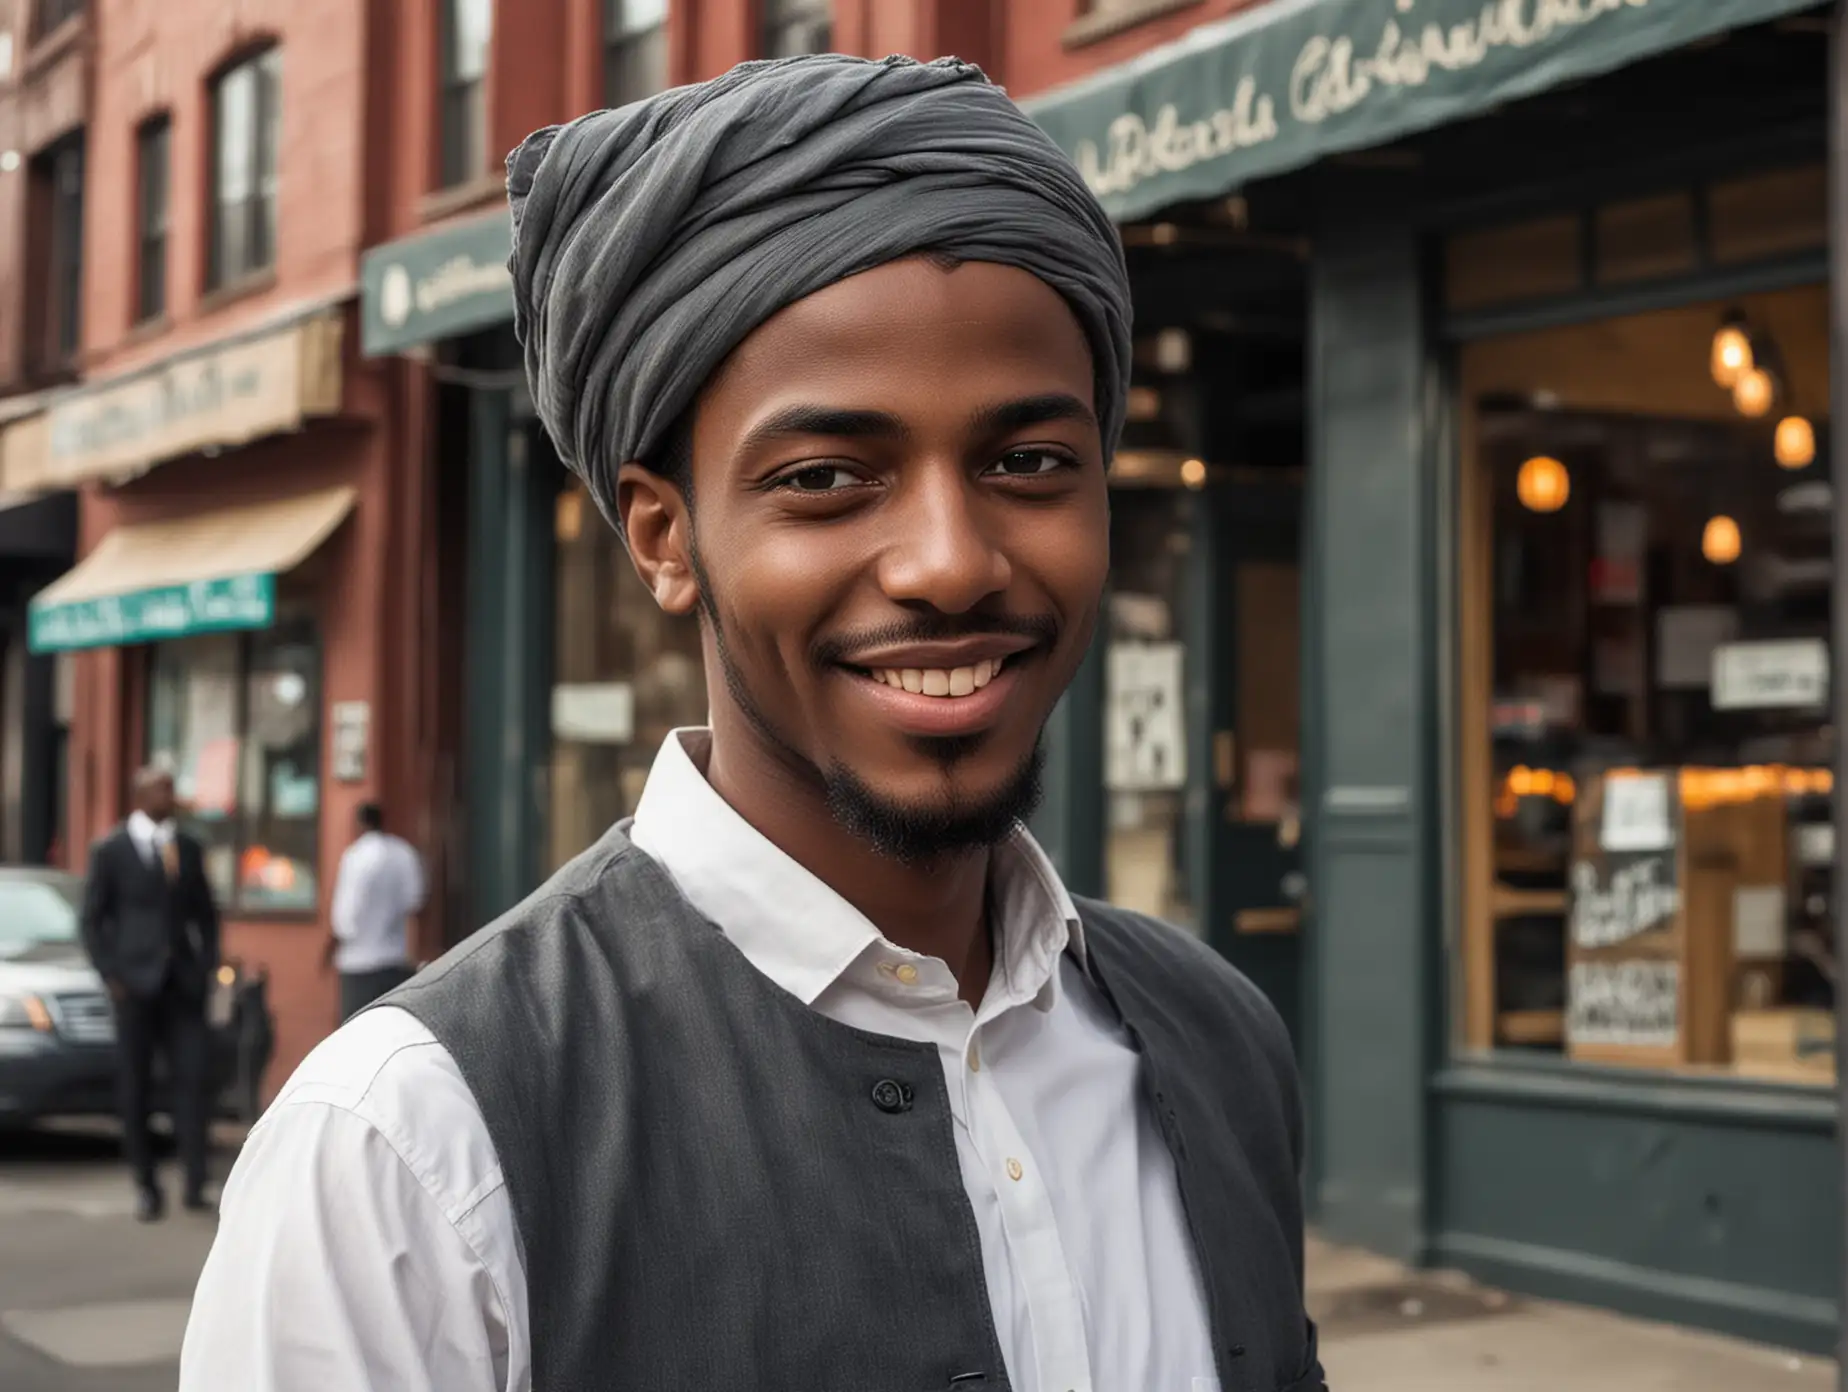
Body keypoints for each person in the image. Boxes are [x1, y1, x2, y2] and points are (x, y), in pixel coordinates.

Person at [182, 54, 1324, 1392]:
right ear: (665, 539)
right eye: (828, 479)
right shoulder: (408, 1153)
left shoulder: (1218, 1040)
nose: (950, 562)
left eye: (1029, 464)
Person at [80, 766, 219, 1221]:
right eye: (160, 789)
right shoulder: (111, 850)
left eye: (171, 789)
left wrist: (205, 966)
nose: (168, 796)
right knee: (135, 1085)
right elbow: (92, 918)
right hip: (133, 985)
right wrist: (110, 972)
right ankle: (146, 1184)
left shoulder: (189, 847)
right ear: (139, 795)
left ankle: (196, 1181)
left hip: (182, 984)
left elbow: (206, 913)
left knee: (193, 1079)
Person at [324, 802, 425, 1021]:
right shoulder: (403, 852)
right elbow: (415, 901)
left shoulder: (355, 856)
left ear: (360, 824)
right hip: (395, 959)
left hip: (358, 963)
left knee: (355, 1035)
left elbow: (346, 917)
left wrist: (328, 950)